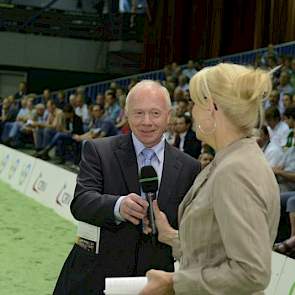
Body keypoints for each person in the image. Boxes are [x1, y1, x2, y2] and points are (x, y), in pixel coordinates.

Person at [140, 63, 280, 295]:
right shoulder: (232, 161)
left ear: (212, 107)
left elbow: (251, 271)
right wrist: (172, 236)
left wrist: (174, 283)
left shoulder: (235, 171)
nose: (191, 111)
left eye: (195, 103)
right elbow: (215, 249)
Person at [53, 80, 201, 295]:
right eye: (138, 113)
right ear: (126, 114)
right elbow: (81, 202)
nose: (147, 122)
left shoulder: (190, 167)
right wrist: (118, 206)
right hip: (97, 276)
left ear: (169, 115)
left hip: (154, 282)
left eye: (155, 113)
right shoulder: (98, 150)